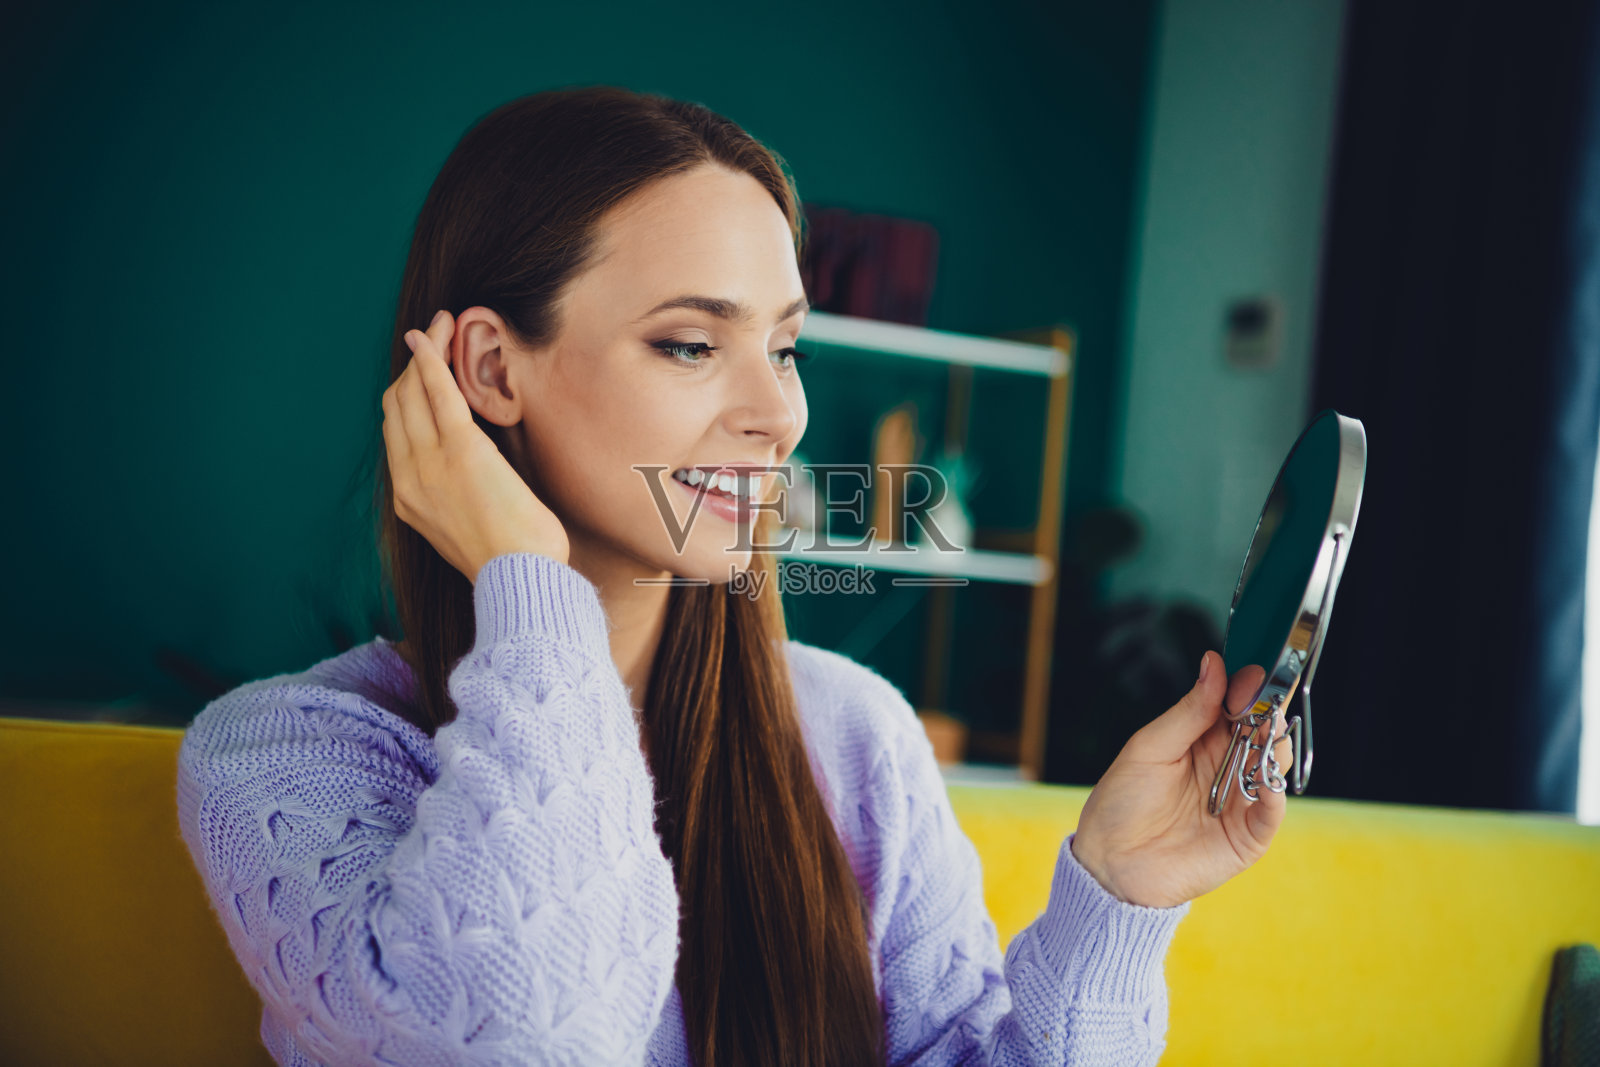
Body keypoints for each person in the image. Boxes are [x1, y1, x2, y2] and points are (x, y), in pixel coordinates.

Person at [175, 85, 1288, 1067]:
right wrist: (528, 583)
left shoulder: (852, 734)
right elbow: (526, 1038)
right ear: (489, 368)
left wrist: (1117, 897)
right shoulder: (289, 755)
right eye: (691, 344)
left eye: (786, 346)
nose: (780, 414)